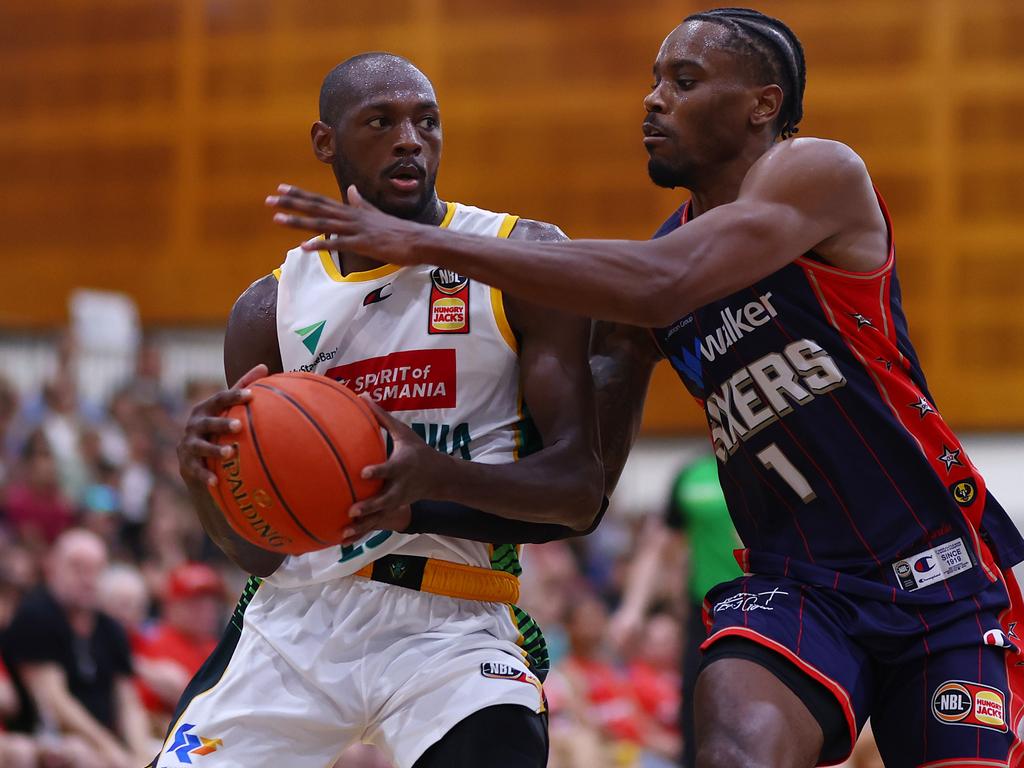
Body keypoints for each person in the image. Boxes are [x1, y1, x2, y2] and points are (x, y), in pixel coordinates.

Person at [268, 9, 1024, 766]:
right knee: (734, 752)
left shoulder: (816, 174)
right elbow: (582, 491)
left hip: (940, 578)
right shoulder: (647, 287)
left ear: (763, 104)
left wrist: (427, 241)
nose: (653, 100)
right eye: (654, 81)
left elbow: (670, 282)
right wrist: (413, 475)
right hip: (799, 587)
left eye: (684, 81)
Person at [163, 53, 603, 768]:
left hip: (454, 622)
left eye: (427, 121)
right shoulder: (266, 309)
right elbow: (261, 555)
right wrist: (202, 484)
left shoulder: (517, 256)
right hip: (297, 623)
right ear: (325, 143)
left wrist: (433, 481)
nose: (410, 138)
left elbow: (579, 495)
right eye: (382, 121)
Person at [609, 453, 741, 767]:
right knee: (697, 714)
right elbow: (658, 546)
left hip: (766, 607)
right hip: (706, 613)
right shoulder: (692, 475)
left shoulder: (767, 459)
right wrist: (632, 610)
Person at [2, 528, 151, 768]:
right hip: (48, 737)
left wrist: (142, 756)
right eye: (77, 567)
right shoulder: (36, 614)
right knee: (80, 754)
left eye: (96, 569)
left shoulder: (110, 627)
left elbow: (128, 702)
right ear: (52, 567)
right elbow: (53, 700)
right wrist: (110, 748)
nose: (87, 578)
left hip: (104, 739)